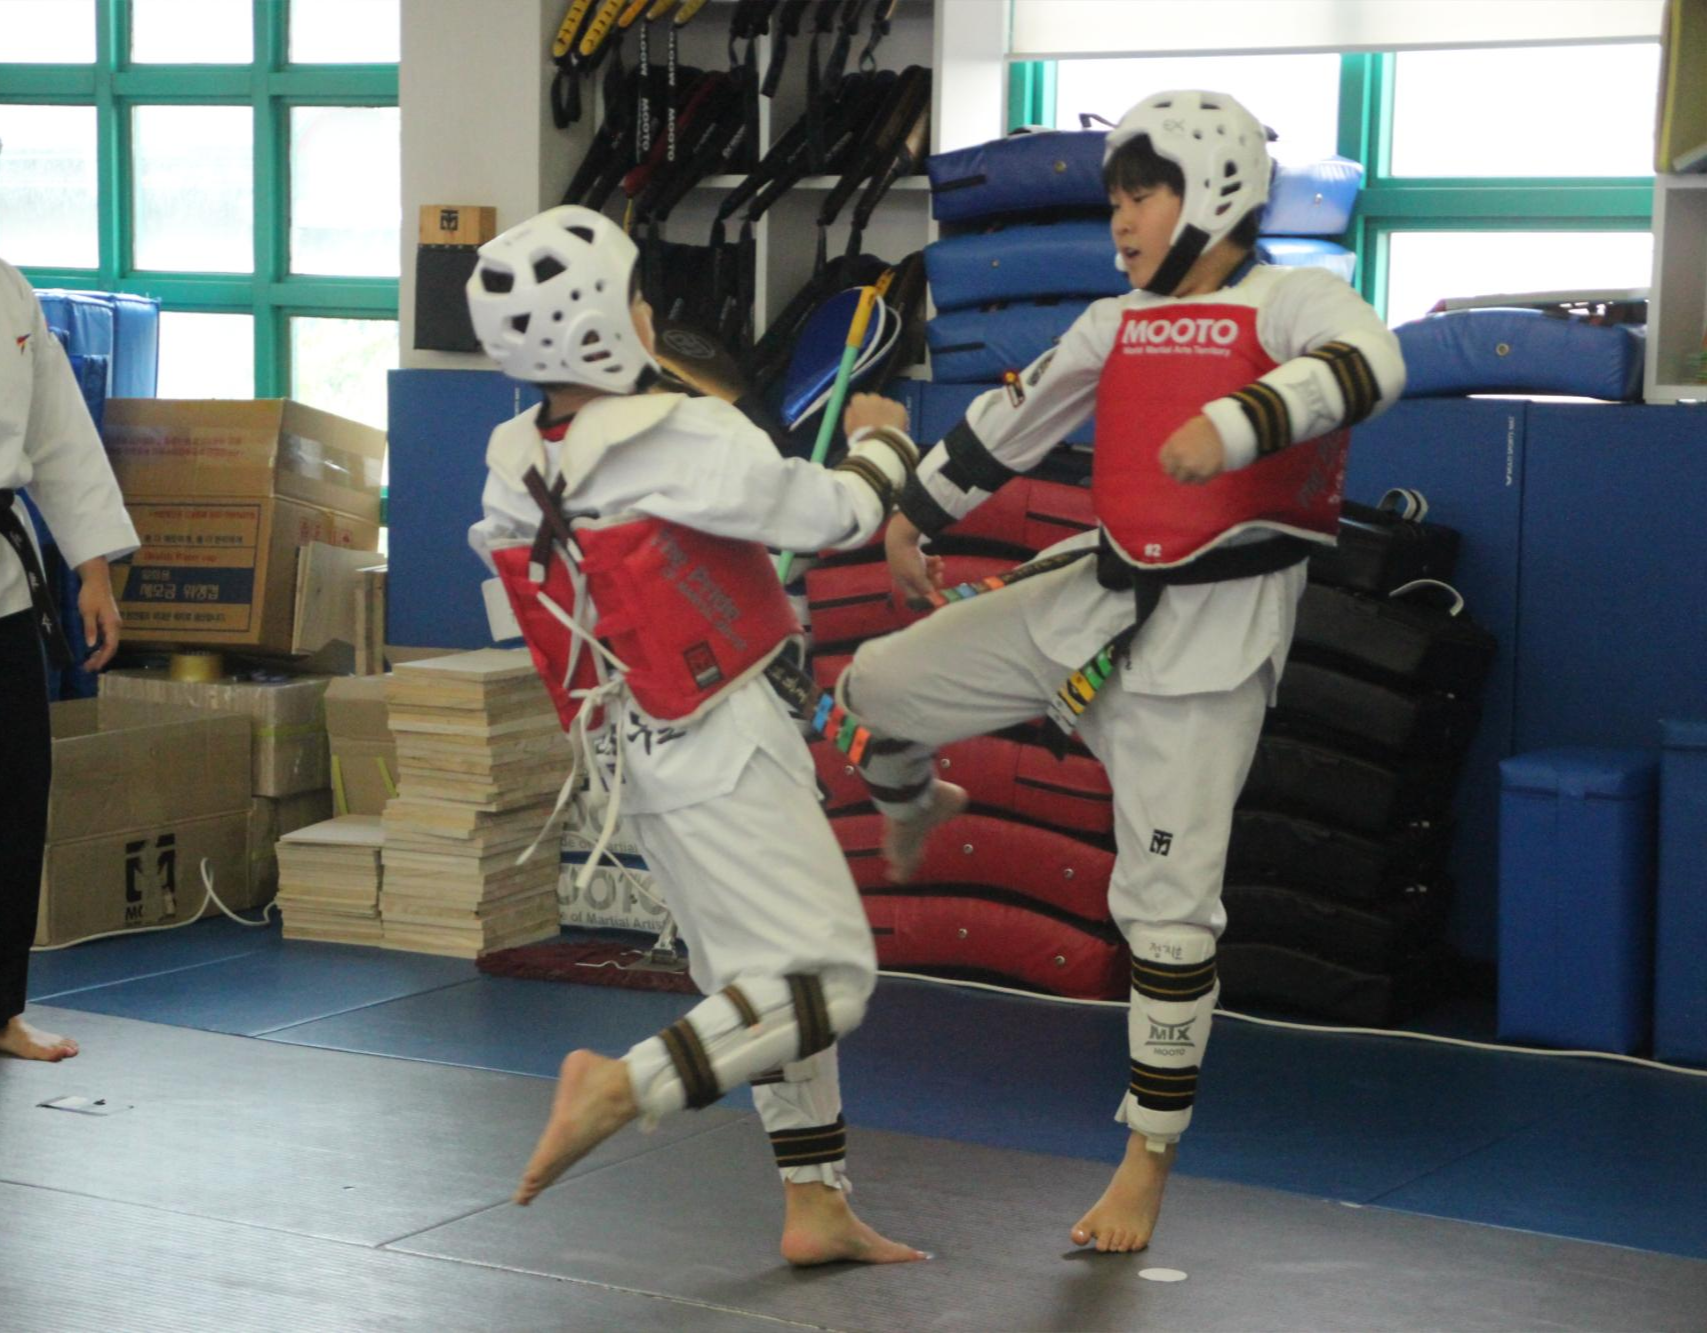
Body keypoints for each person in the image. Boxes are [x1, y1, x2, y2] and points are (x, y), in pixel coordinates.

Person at [836, 90, 1407, 1254]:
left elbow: (1374, 361)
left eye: (1142, 196)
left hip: (1206, 655)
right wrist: (911, 517)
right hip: (1089, 603)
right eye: (1117, 200)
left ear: (1214, 194)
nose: (1122, 222)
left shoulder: (1289, 299)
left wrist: (1238, 424)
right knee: (877, 685)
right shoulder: (1118, 321)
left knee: (1167, 913)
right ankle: (918, 799)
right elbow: (1011, 423)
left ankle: (1146, 1159)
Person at [464, 205, 927, 1266]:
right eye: (638, 297)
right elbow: (834, 516)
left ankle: (814, 1200)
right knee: (828, 980)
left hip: (636, 753)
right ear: (610, 321)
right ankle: (623, 1085)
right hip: (724, 739)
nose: (649, 313)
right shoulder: (683, 434)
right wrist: (883, 442)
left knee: (762, 983)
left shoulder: (512, 464)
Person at [1, 255, 138, 1062]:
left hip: (4, 587)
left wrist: (93, 569)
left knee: (16, 796)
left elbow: (60, 435)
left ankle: (1, 1009)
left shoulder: (8, 289)